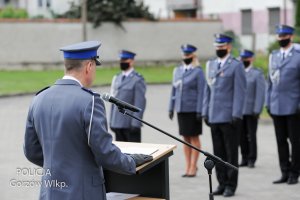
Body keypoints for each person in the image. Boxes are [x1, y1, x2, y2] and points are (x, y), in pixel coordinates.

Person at [23, 41, 152, 200]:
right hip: (83, 192)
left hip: (49, 191)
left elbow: (31, 151)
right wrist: (131, 162)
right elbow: (104, 153)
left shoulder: (39, 98)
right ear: (89, 66)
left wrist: (59, 166)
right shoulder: (90, 102)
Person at [202, 34, 246, 197]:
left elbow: (240, 93)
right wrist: (205, 111)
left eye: (221, 47)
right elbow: (208, 90)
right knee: (217, 153)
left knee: (231, 153)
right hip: (214, 116)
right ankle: (221, 183)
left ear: (228, 47)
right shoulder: (211, 65)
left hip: (229, 117)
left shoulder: (236, 66)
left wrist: (236, 114)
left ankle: (231, 185)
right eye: (217, 47)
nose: (219, 50)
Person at [266, 25, 300, 185]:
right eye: (279, 36)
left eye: (284, 36)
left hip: (294, 105)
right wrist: (268, 102)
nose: (281, 39)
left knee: (295, 141)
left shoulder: (298, 55)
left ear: (291, 37)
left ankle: (295, 172)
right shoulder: (274, 56)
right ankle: (284, 172)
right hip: (276, 105)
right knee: (280, 141)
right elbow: (269, 82)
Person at [168, 44, 205, 177]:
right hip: (181, 110)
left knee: (194, 138)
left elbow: (202, 92)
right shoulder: (177, 71)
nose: (186, 57)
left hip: (193, 110)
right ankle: (187, 165)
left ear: (193, 56)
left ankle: (193, 166)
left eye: (188, 55)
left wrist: (200, 110)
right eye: (184, 55)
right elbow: (173, 90)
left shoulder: (198, 71)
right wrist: (171, 108)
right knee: (185, 138)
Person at [109, 50, 146, 142]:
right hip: (117, 123)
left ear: (132, 61)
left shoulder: (137, 80)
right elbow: (113, 100)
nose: (122, 62)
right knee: (121, 153)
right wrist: (111, 121)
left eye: (125, 60)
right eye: (121, 60)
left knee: (134, 153)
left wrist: (136, 123)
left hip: (130, 124)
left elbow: (140, 103)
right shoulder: (117, 78)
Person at [239, 49, 265, 168]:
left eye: (246, 59)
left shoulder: (257, 73)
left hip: (251, 110)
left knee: (251, 135)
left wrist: (257, 109)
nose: (244, 61)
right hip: (239, 111)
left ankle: (252, 158)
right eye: (242, 59)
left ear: (251, 59)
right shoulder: (238, 72)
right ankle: (244, 157)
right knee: (241, 135)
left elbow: (260, 93)